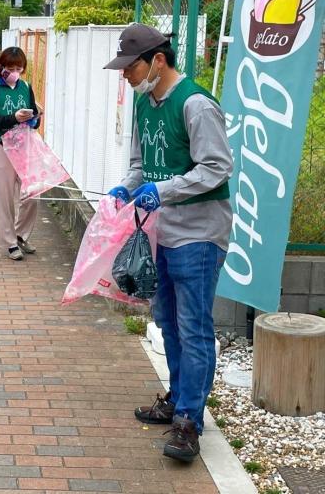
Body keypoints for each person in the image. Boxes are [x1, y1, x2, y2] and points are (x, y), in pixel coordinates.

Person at [103, 23, 232, 463]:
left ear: (158, 60)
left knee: (194, 327)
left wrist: (166, 189)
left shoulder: (195, 104)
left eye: (130, 67)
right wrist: (127, 187)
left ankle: (189, 423)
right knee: (169, 322)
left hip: (200, 232)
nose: (126, 75)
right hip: (165, 231)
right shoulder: (146, 105)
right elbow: (141, 164)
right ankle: (178, 399)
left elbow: (217, 167)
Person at [0, 46, 40, 261]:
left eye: (19, 67)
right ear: (1, 68)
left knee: (32, 193)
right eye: (10, 67)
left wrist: (34, 118)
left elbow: (34, 117)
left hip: (23, 145)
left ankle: (20, 234)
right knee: (4, 197)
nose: (15, 71)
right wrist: (15, 117)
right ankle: (9, 243)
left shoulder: (25, 86)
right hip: (1, 146)